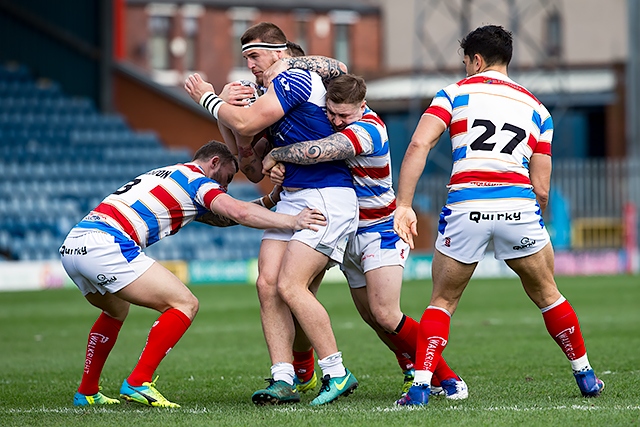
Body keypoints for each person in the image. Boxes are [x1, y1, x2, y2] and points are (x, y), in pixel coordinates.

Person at [392, 25, 604, 406]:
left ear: (475, 60)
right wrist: (528, 219)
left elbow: (419, 144)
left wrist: (404, 205)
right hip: (518, 205)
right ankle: (585, 374)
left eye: (465, 62)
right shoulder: (537, 108)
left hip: (467, 204)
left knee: (442, 301)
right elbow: (542, 186)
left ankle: (421, 386)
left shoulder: (453, 94)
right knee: (548, 294)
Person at [60, 140, 327, 408]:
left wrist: (269, 200)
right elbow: (239, 211)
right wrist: (293, 220)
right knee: (185, 303)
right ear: (214, 163)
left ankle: (87, 392)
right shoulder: (198, 182)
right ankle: (138, 382)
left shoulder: (168, 174)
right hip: (108, 244)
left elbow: (222, 217)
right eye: (227, 177)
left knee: (115, 310)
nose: (226, 186)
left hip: (75, 245)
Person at [262, 74, 468, 400]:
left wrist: (276, 155)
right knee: (374, 319)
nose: (336, 121)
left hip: (382, 229)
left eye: (344, 115)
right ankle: (408, 368)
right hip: (349, 231)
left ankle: (446, 376)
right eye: (331, 113)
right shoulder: (336, 119)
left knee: (386, 313)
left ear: (362, 105)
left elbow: (316, 152)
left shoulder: (366, 130)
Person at [184, 22, 359, 406]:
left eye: (254, 56)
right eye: (245, 57)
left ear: (278, 52)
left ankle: (337, 371)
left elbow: (245, 122)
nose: (249, 65)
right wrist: (222, 114)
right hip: (294, 198)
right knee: (267, 284)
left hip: (326, 196)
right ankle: (283, 378)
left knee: (290, 286)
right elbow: (251, 168)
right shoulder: (272, 95)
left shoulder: (294, 77)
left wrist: (211, 99)